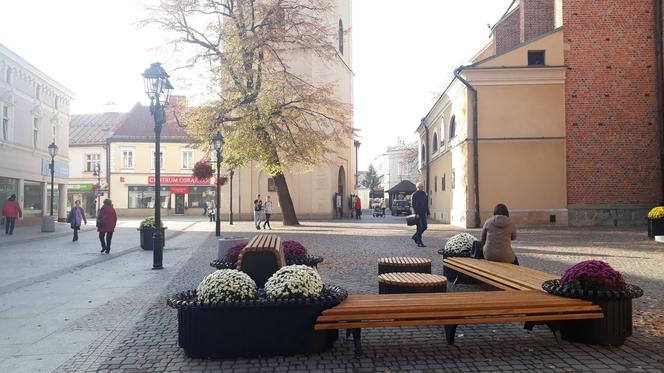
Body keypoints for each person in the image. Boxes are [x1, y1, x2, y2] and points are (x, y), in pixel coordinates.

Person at [411, 182, 430, 247]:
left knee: (425, 226)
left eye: (423, 186)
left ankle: (415, 236)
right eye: (421, 186)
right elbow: (413, 205)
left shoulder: (424, 194)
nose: (422, 187)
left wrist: (428, 212)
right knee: (419, 228)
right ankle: (419, 242)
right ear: (417, 187)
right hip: (418, 214)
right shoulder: (414, 194)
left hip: (423, 213)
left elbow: (426, 204)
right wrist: (416, 213)